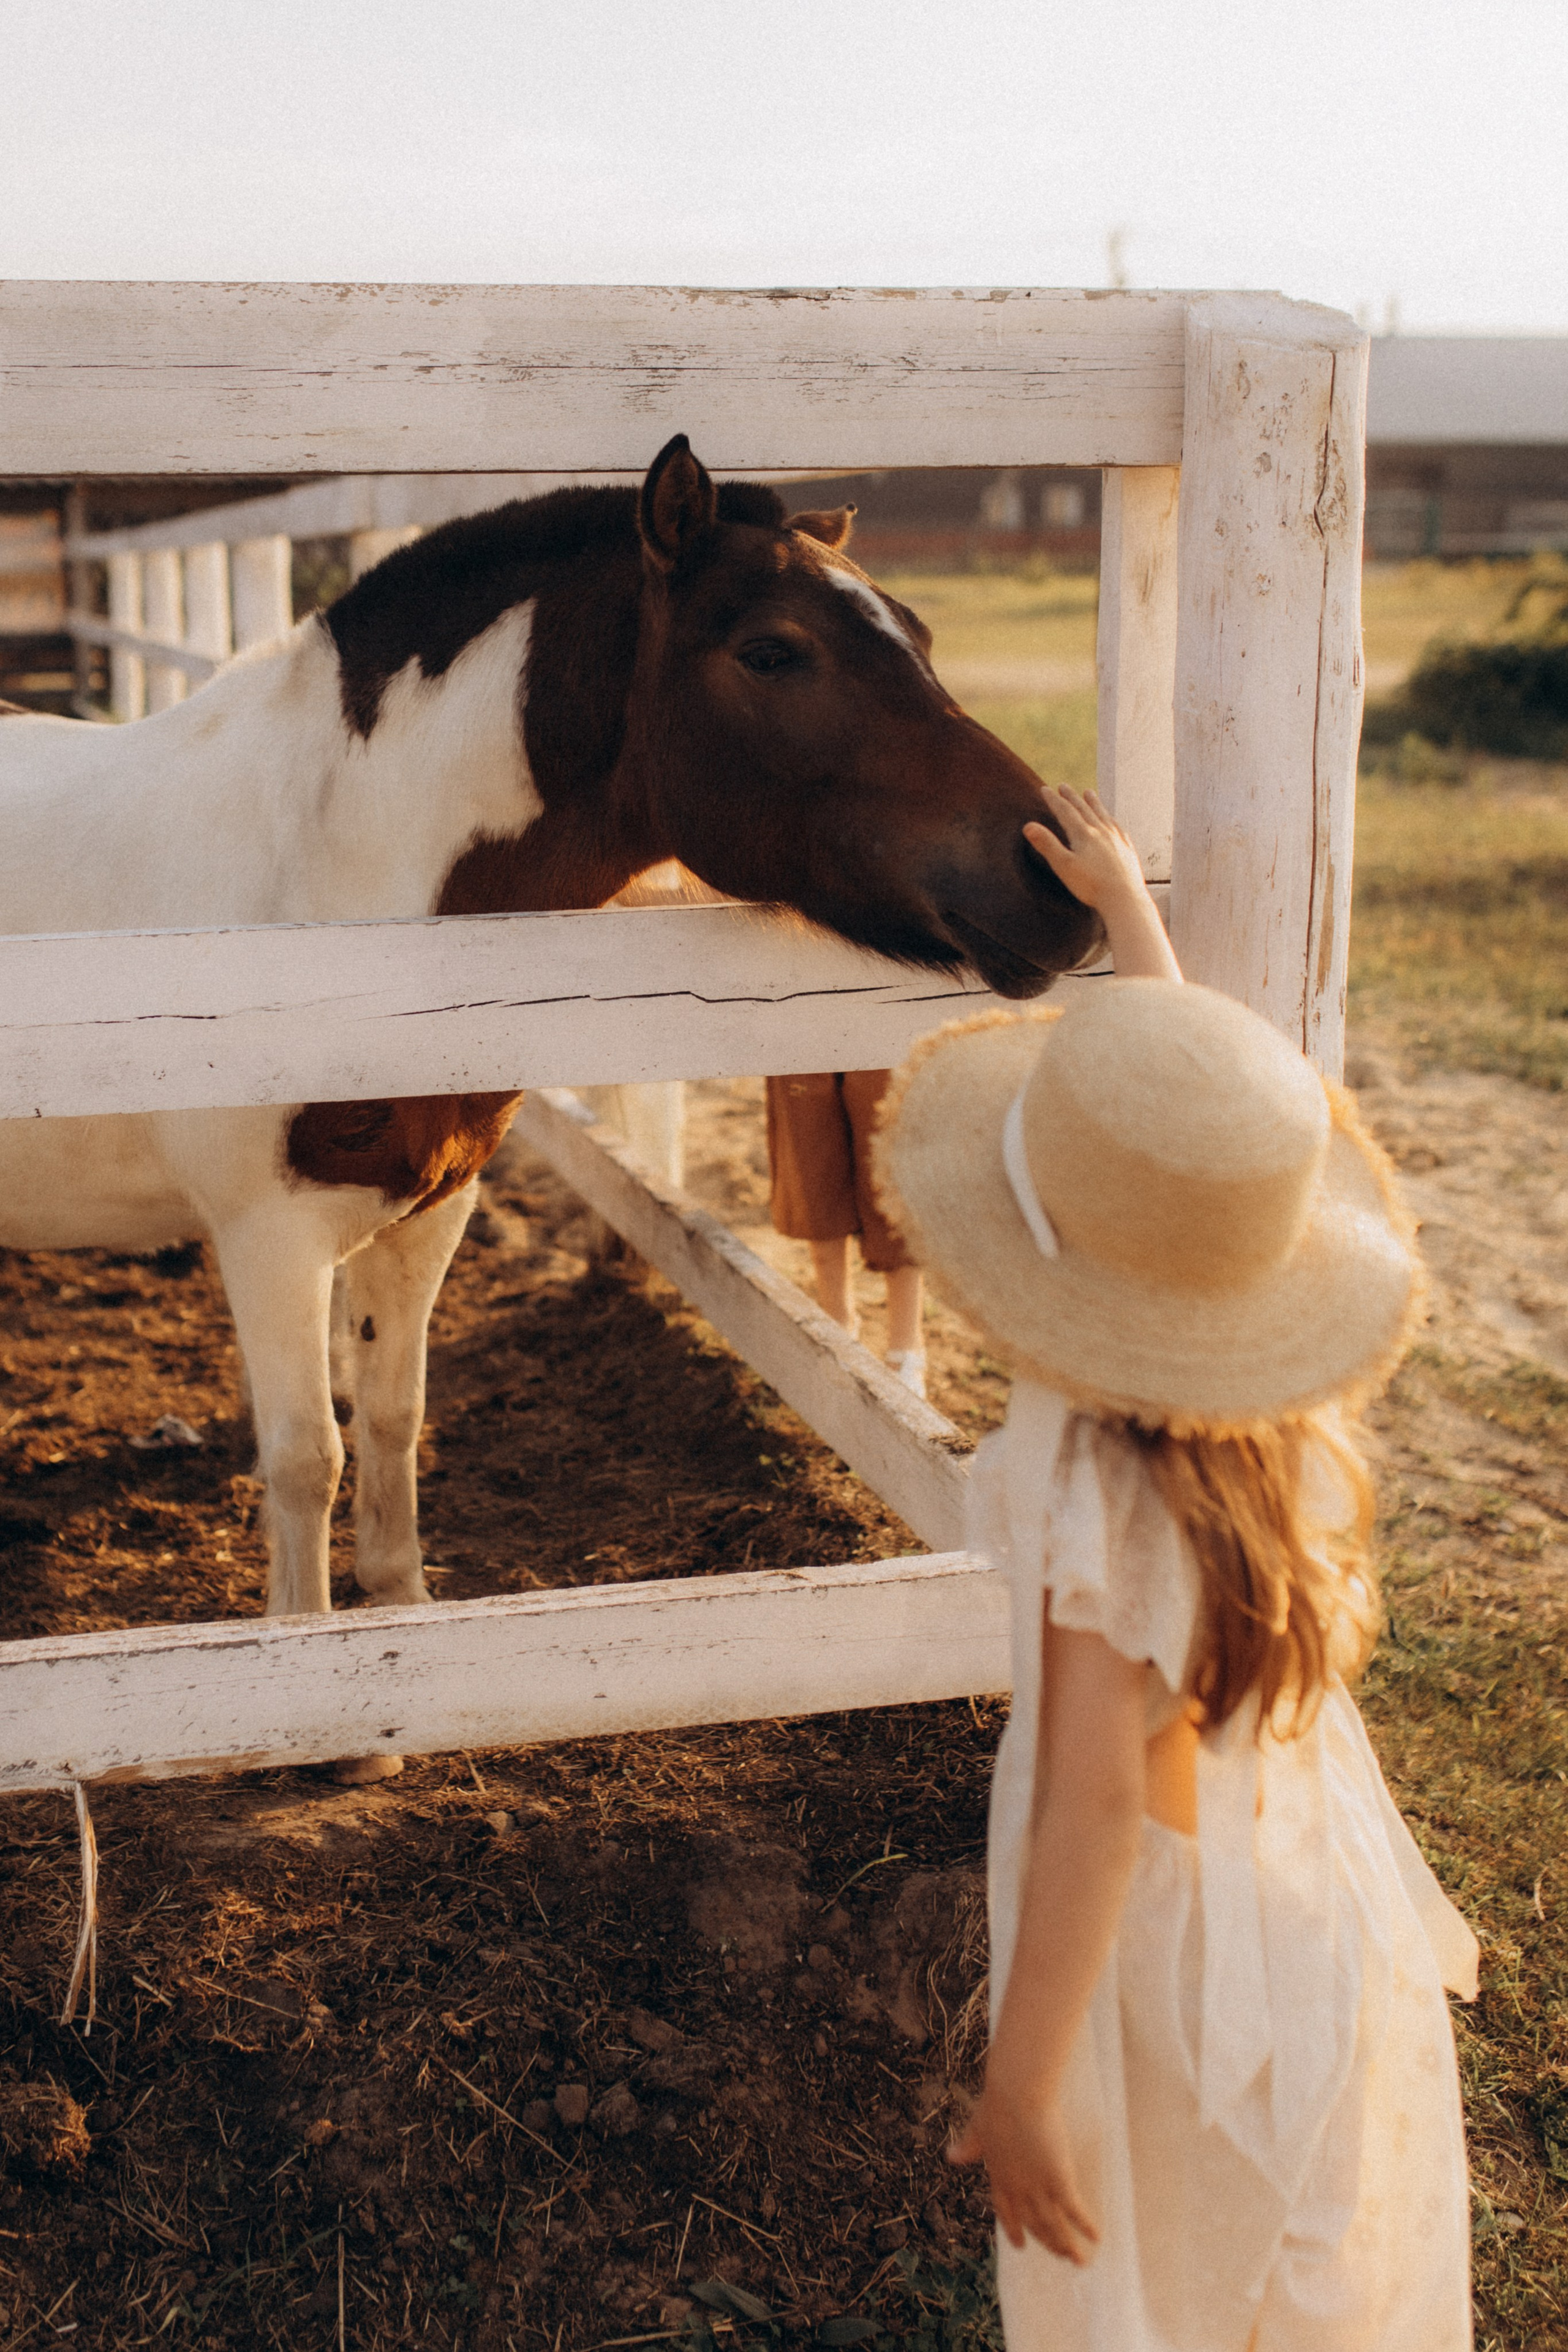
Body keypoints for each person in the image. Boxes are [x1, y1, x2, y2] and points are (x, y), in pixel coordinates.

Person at [872, 785, 1478, 2352]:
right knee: (1291, 2278)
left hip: (1161, 1962)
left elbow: (1091, 1806)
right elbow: (1193, 1148)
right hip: (1295, 1917)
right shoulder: (1265, 1423)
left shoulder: (1101, 1482)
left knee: (1164, 2279)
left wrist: (1017, 2077)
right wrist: (1135, 935)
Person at [765, 1069, 927, 1395]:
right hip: (798, 1022)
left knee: (889, 1158)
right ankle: (838, 1325)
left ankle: (905, 1346)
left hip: (879, 1023)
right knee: (811, 1162)